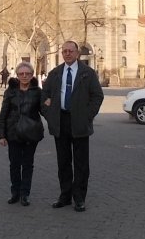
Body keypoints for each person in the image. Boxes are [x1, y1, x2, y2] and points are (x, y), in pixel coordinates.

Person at [41, 41, 104, 212]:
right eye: (64, 51)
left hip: (80, 123)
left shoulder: (87, 73)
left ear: (77, 53)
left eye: (70, 51)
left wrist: (87, 116)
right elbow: (44, 96)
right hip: (60, 122)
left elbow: (97, 96)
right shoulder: (55, 73)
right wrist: (50, 115)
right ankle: (65, 195)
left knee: (81, 163)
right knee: (63, 162)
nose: (67, 54)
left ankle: (79, 198)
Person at [0, 61, 44, 207]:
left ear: (32, 75)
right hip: (13, 133)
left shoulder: (38, 92)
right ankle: (15, 193)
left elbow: (44, 111)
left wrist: (50, 104)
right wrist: (1, 134)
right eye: (21, 74)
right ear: (17, 75)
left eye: (27, 73)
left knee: (28, 164)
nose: (24, 76)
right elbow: (3, 113)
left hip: (31, 133)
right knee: (15, 164)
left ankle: (25, 194)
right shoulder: (10, 91)